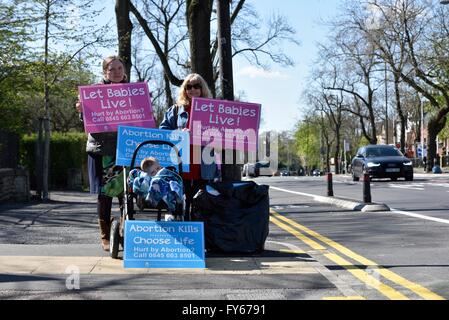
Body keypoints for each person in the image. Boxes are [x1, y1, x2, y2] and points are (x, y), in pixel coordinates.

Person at [76, 55, 127, 251]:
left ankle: (124, 231)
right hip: (101, 150)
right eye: (112, 69)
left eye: (120, 68)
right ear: (105, 71)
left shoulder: (134, 92)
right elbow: (87, 125)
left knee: (126, 193)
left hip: (125, 149)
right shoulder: (93, 93)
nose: (116, 72)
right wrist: (82, 111)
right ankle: (105, 236)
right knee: (105, 194)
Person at [159, 73, 218, 220]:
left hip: (203, 162)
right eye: (188, 87)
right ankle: (182, 234)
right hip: (180, 162)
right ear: (184, 90)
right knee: (180, 201)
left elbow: (220, 135)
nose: (192, 90)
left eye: (196, 86)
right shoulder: (175, 110)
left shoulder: (212, 109)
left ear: (202, 88)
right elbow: (163, 131)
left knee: (200, 203)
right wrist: (179, 133)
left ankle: (199, 237)